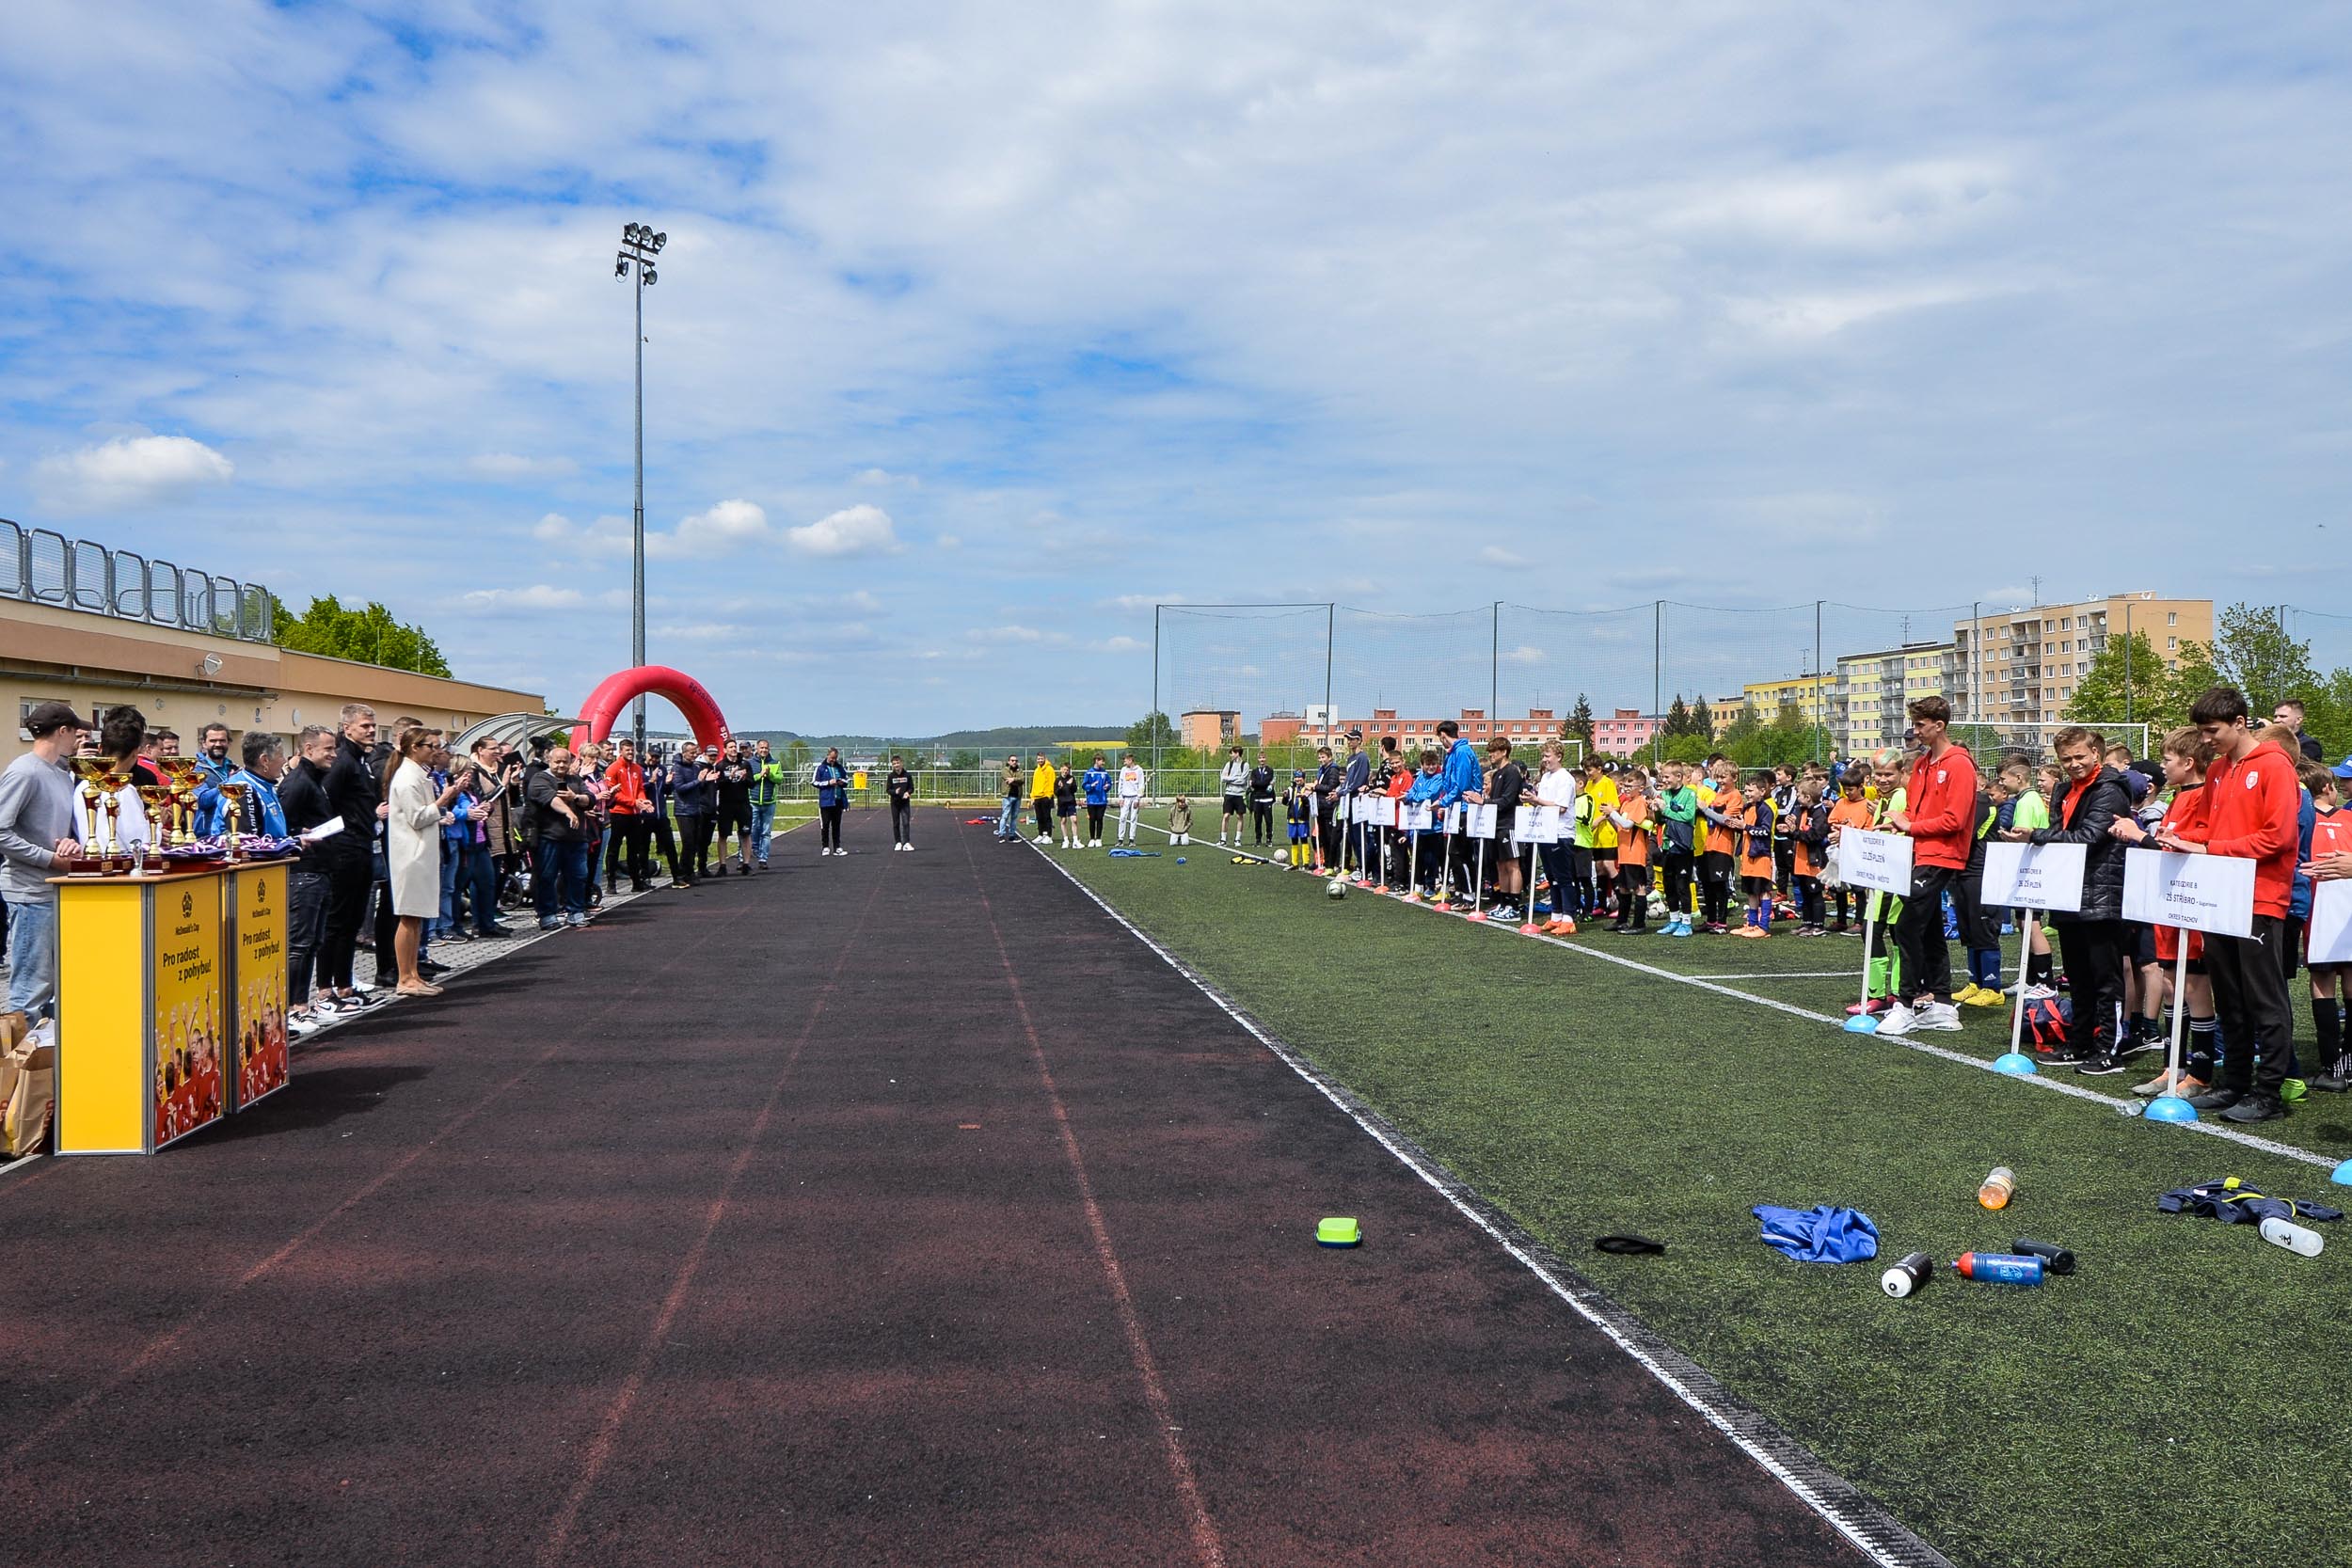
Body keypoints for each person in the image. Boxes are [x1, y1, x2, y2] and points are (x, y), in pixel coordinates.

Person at [2154, 688, 2302, 1121]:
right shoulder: (2218, 769)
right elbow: (2212, 829)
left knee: (2265, 997)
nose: (2205, 740)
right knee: (2230, 996)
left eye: (2211, 731)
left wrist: (2208, 849)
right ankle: (2235, 1083)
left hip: (2261, 896)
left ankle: (2268, 1092)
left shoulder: (2275, 765)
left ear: (2240, 723)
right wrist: (2182, 842)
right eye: (2201, 731)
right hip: (2219, 895)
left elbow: (2279, 838)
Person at [2001, 727, 2130, 1069]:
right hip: (2068, 890)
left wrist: (2038, 836)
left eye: (2079, 757)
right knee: (2078, 976)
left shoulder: (2110, 789)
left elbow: (2090, 837)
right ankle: (2080, 1041)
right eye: (2066, 759)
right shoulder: (2064, 790)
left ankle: (2109, 1048)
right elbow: (2067, 834)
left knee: (2105, 978)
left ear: (2096, 755)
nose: (2073, 764)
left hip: (2102, 894)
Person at [2111, 727, 2217, 1096]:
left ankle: (2201, 1073)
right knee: (2172, 984)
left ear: (2188, 764)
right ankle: (2172, 1066)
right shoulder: (2179, 798)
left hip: (2191, 906)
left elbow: (2193, 850)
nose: (2162, 767)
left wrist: (2140, 836)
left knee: (2195, 985)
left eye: (2168, 760)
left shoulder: (2204, 797)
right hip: (2168, 906)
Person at [1874, 698, 1978, 1037]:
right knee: (1928, 926)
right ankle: (1943, 1005)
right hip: (1920, 853)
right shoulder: (1920, 765)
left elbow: (1955, 819)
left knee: (1906, 925)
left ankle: (1907, 1003)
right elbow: (1918, 813)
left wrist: (1911, 826)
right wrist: (1900, 824)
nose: (1915, 731)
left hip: (1942, 855)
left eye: (1920, 725)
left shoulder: (1959, 764)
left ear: (1939, 725)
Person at [0, 702, 87, 1022]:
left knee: (52, 986)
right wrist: (50, 859)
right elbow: (0, 832)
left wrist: (70, 846)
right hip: (30, 894)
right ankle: (19, 1066)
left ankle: (45, 1063)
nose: (79, 738)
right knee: (30, 990)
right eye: (75, 732)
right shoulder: (25, 772)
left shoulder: (62, 773)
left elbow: (54, 830)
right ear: (62, 731)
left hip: (52, 890)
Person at [386, 727, 467, 995]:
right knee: (409, 916)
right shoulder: (407, 777)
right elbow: (417, 817)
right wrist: (444, 800)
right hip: (410, 854)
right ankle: (404, 978)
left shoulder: (418, 775)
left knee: (417, 916)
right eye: (431, 746)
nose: (436, 751)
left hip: (420, 852)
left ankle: (413, 974)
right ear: (414, 748)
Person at [316, 705, 385, 1010]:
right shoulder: (343, 761)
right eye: (365, 726)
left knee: (353, 922)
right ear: (347, 728)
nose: (370, 730)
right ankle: (324, 989)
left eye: (372, 726)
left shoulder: (362, 760)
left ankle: (345, 985)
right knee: (337, 921)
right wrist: (338, 835)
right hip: (344, 849)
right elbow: (324, 799)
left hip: (362, 846)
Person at [278, 723, 339, 1030]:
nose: (333, 754)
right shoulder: (298, 782)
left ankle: (302, 1004)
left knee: (312, 942)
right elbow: (278, 828)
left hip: (319, 871)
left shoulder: (316, 780)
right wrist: (297, 835)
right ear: (308, 749)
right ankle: (291, 1008)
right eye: (328, 749)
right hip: (303, 874)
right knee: (299, 944)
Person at [526, 745, 596, 929]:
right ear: (549, 761)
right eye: (557, 761)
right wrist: (569, 812)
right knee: (547, 877)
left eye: (565, 761)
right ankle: (547, 914)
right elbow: (552, 799)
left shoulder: (575, 780)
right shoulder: (540, 779)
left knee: (578, 876)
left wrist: (575, 797)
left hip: (576, 839)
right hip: (549, 837)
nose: (561, 765)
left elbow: (590, 799)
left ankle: (576, 911)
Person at [1825, 768, 1874, 935]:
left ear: (1861, 786)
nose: (1847, 792)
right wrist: (1838, 828)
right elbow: (1832, 821)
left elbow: (1869, 829)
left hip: (1858, 853)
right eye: (1845, 789)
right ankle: (1841, 920)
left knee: (1859, 889)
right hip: (1841, 852)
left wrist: (1851, 829)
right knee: (1839, 887)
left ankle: (1859, 922)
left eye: (1850, 789)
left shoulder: (1867, 806)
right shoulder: (1841, 803)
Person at [1653, 760, 1698, 938]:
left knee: (1682, 885)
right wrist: (1657, 810)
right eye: (1662, 776)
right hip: (1667, 845)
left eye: (1666, 776)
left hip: (1683, 847)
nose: (1664, 780)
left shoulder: (1689, 794)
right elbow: (1660, 821)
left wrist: (1665, 810)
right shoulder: (1664, 794)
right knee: (1669, 884)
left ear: (1678, 777)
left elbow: (1688, 816)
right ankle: (1673, 920)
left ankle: (1686, 923)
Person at [603, 737, 652, 894]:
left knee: (634, 849)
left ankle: (636, 882)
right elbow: (613, 794)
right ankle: (611, 883)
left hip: (634, 815)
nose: (630, 753)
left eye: (632, 750)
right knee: (614, 849)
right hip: (618, 814)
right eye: (627, 750)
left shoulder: (637, 768)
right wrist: (633, 802)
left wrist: (643, 801)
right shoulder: (613, 768)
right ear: (621, 751)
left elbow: (640, 789)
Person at [1485, 739, 1527, 921]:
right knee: (1501, 865)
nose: (1491, 755)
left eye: (1494, 751)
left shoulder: (1512, 772)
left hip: (1510, 824)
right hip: (1497, 825)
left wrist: (1484, 802)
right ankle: (1504, 901)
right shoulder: (1497, 774)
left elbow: (1507, 801)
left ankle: (1514, 905)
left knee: (1512, 864)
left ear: (1504, 752)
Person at [1608, 766, 1652, 933]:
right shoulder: (1627, 803)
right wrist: (1610, 816)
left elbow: (1628, 824)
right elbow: (1620, 825)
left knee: (1638, 886)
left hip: (1635, 852)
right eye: (1624, 785)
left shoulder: (1640, 802)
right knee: (1624, 886)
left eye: (1629, 786)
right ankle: (1622, 920)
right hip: (1624, 851)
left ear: (1640, 788)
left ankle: (1639, 924)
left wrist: (1612, 813)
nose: (1625, 789)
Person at [1734, 775, 1776, 937]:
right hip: (1748, 857)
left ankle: (1764, 926)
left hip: (1761, 856)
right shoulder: (1747, 807)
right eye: (1746, 790)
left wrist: (1746, 826)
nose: (1748, 793)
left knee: (1764, 890)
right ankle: (1751, 924)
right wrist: (1738, 825)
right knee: (1751, 891)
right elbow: (1746, 830)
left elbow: (1765, 831)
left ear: (1762, 791)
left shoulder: (1765, 809)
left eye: (1751, 790)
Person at [712, 740, 754, 874]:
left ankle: (746, 864)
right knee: (723, 835)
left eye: (734, 747)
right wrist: (730, 777)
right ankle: (722, 865)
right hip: (726, 805)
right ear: (725, 750)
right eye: (730, 747)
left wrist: (744, 778)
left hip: (743, 804)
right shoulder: (720, 766)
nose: (733, 749)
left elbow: (752, 784)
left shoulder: (745, 764)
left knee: (745, 834)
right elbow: (717, 785)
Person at [671, 743, 711, 879]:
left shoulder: (695, 767)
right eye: (692, 753)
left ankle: (690, 870)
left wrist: (706, 781)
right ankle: (683, 871)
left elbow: (699, 789)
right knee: (687, 843)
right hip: (683, 810)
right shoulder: (677, 768)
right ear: (684, 753)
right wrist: (698, 781)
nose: (694, 755)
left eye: (696, 753)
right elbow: (680, 788)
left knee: (694, 843)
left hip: (695, 809)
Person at [749, 740, 787, 868]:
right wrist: (760, 775)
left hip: (769, 802)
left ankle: (763, 859)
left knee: (766, 832)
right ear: (757, 749)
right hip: (753, 801)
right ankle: (753, 848)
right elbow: (748, 779)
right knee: (753, 828)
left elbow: (779, 779)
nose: (764, 750)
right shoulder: (750, 763)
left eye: (766, 748)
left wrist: (769, 774)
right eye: (761, 748)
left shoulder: (775, 763)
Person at [816, 747, 850, 856]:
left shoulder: (840, 768)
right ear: (827, 756)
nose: (833, 760)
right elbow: (815, 782)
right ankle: (825, 846)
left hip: (838, 800)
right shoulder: (821, 768)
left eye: (835, 758)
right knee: (825, 824)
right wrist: (828, 783)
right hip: (826, 801)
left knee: (837, 825)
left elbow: (847, 780)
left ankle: (837, 847)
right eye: (831, 758)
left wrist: (841, 782)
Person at [2272, 699, 2326, 763]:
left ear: (2298, 720)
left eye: (2283, 716)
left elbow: (2296, 766)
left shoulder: (2309, 745)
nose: (2276, 720)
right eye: (2275, 717)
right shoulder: (2272, 740)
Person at [1219, 745, 1248, 847]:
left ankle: (1237, 839)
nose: (1231, 755)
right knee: (1226, 815)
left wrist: (1230, 778)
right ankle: (1223, 839)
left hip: (1240, 794)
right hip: (1229, 794)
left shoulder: (1245, 765)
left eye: (1232, 753)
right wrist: (1235, 778)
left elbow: (1242, 780)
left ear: (1237, 753)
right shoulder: (1229, 764)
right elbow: (1223, 778)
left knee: (1239, 816)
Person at [1248, 752, 1277, 847]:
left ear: (1266, 759)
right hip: (1257, 799)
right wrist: (1260, 784)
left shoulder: (1270, 770)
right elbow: (1253, 783)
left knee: (1268, 820)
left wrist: (1258, 784)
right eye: (1260, 758)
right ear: (1258, 759)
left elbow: (1266, 781)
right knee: (1258, 821)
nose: (1262, 760)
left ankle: (1269, 839)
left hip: (1267, 798)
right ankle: (1258, 839)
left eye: (1263, 758)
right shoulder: (1254, 771)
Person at [886, 755, 915, 850]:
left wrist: (908, 793)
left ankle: (906, 842)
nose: (896, 765)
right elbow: (888, 790)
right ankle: (898, 842)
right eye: (894, 764)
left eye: (898, 763)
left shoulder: (907, 775)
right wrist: (895, 792)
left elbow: (912, 788)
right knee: (896, 823)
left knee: (906, 822)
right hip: (895, 803)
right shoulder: (891, 776)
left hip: (905, 803)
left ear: (901, 763)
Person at [1081, 755, 1110, 847]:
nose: (1103, 763)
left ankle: (1098, 839)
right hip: (1092, 801)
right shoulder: (1089, 773)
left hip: (1102, 800)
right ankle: (1092, 839)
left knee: (1100, 819)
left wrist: (1107, 786)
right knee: (1092, 819)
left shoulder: (1104, 773)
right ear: (1096, 761)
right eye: (1102, 761)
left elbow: (1109, 783)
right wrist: (1091, 786)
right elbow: (1084, 785)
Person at [1117, 753, 1145, 847]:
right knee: (1122, 818)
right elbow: (1120, 783)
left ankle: (1131, 839)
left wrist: (1138, 798)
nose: (1124, 762)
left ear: (1130, 760)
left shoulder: (1139, 770)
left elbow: (1141, 785)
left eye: (1125, 760)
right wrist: (1120, 797)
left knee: (1133, 818)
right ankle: (1120, 839)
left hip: (1134, 797)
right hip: (1125, 797)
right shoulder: (1123, 770)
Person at [1027, 753, 1056, 846]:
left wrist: (1049, 795)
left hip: (1046, 797)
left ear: (1045, 759)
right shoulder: (1036, 771)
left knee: (1046, 816)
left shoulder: (1049, 769)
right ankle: (1040, 834)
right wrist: (1032, 796)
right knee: (1039, 817)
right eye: (1038, 759)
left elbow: (1052, 782)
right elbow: (1034, 784)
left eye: (1041, 759)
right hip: (1037, 797)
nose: (1040, 760)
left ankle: (1048, 836)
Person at [1054, 758, 1080, 847]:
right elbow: (1056, 793)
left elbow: (1074, 790)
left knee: (1074, 820)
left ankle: (1076, 840)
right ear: (1061, 769)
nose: (1066, 771)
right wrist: (1061, 787)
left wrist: (1070, 785)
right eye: (1064, 769)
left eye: (1067, 770)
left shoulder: (1072, 778)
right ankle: (1066, 840)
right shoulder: (1058, 780)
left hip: (1071, 802)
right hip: (1062, 803)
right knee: (1063, 821)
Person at [997, 754, 1023, 844]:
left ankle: (1012, 835)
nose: (1014, 762)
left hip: (1017, 796)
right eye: (1012, 760)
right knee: (1005, 815)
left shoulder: (1020, 770)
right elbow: (1007, 779)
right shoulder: (1005, 770)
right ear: (1009, 762)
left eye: (1015, 760)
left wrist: (1014, 780)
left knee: (1014, 817)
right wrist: (1016, 780)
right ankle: (1001, 834)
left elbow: (1022, 779)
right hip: (1007, 796)